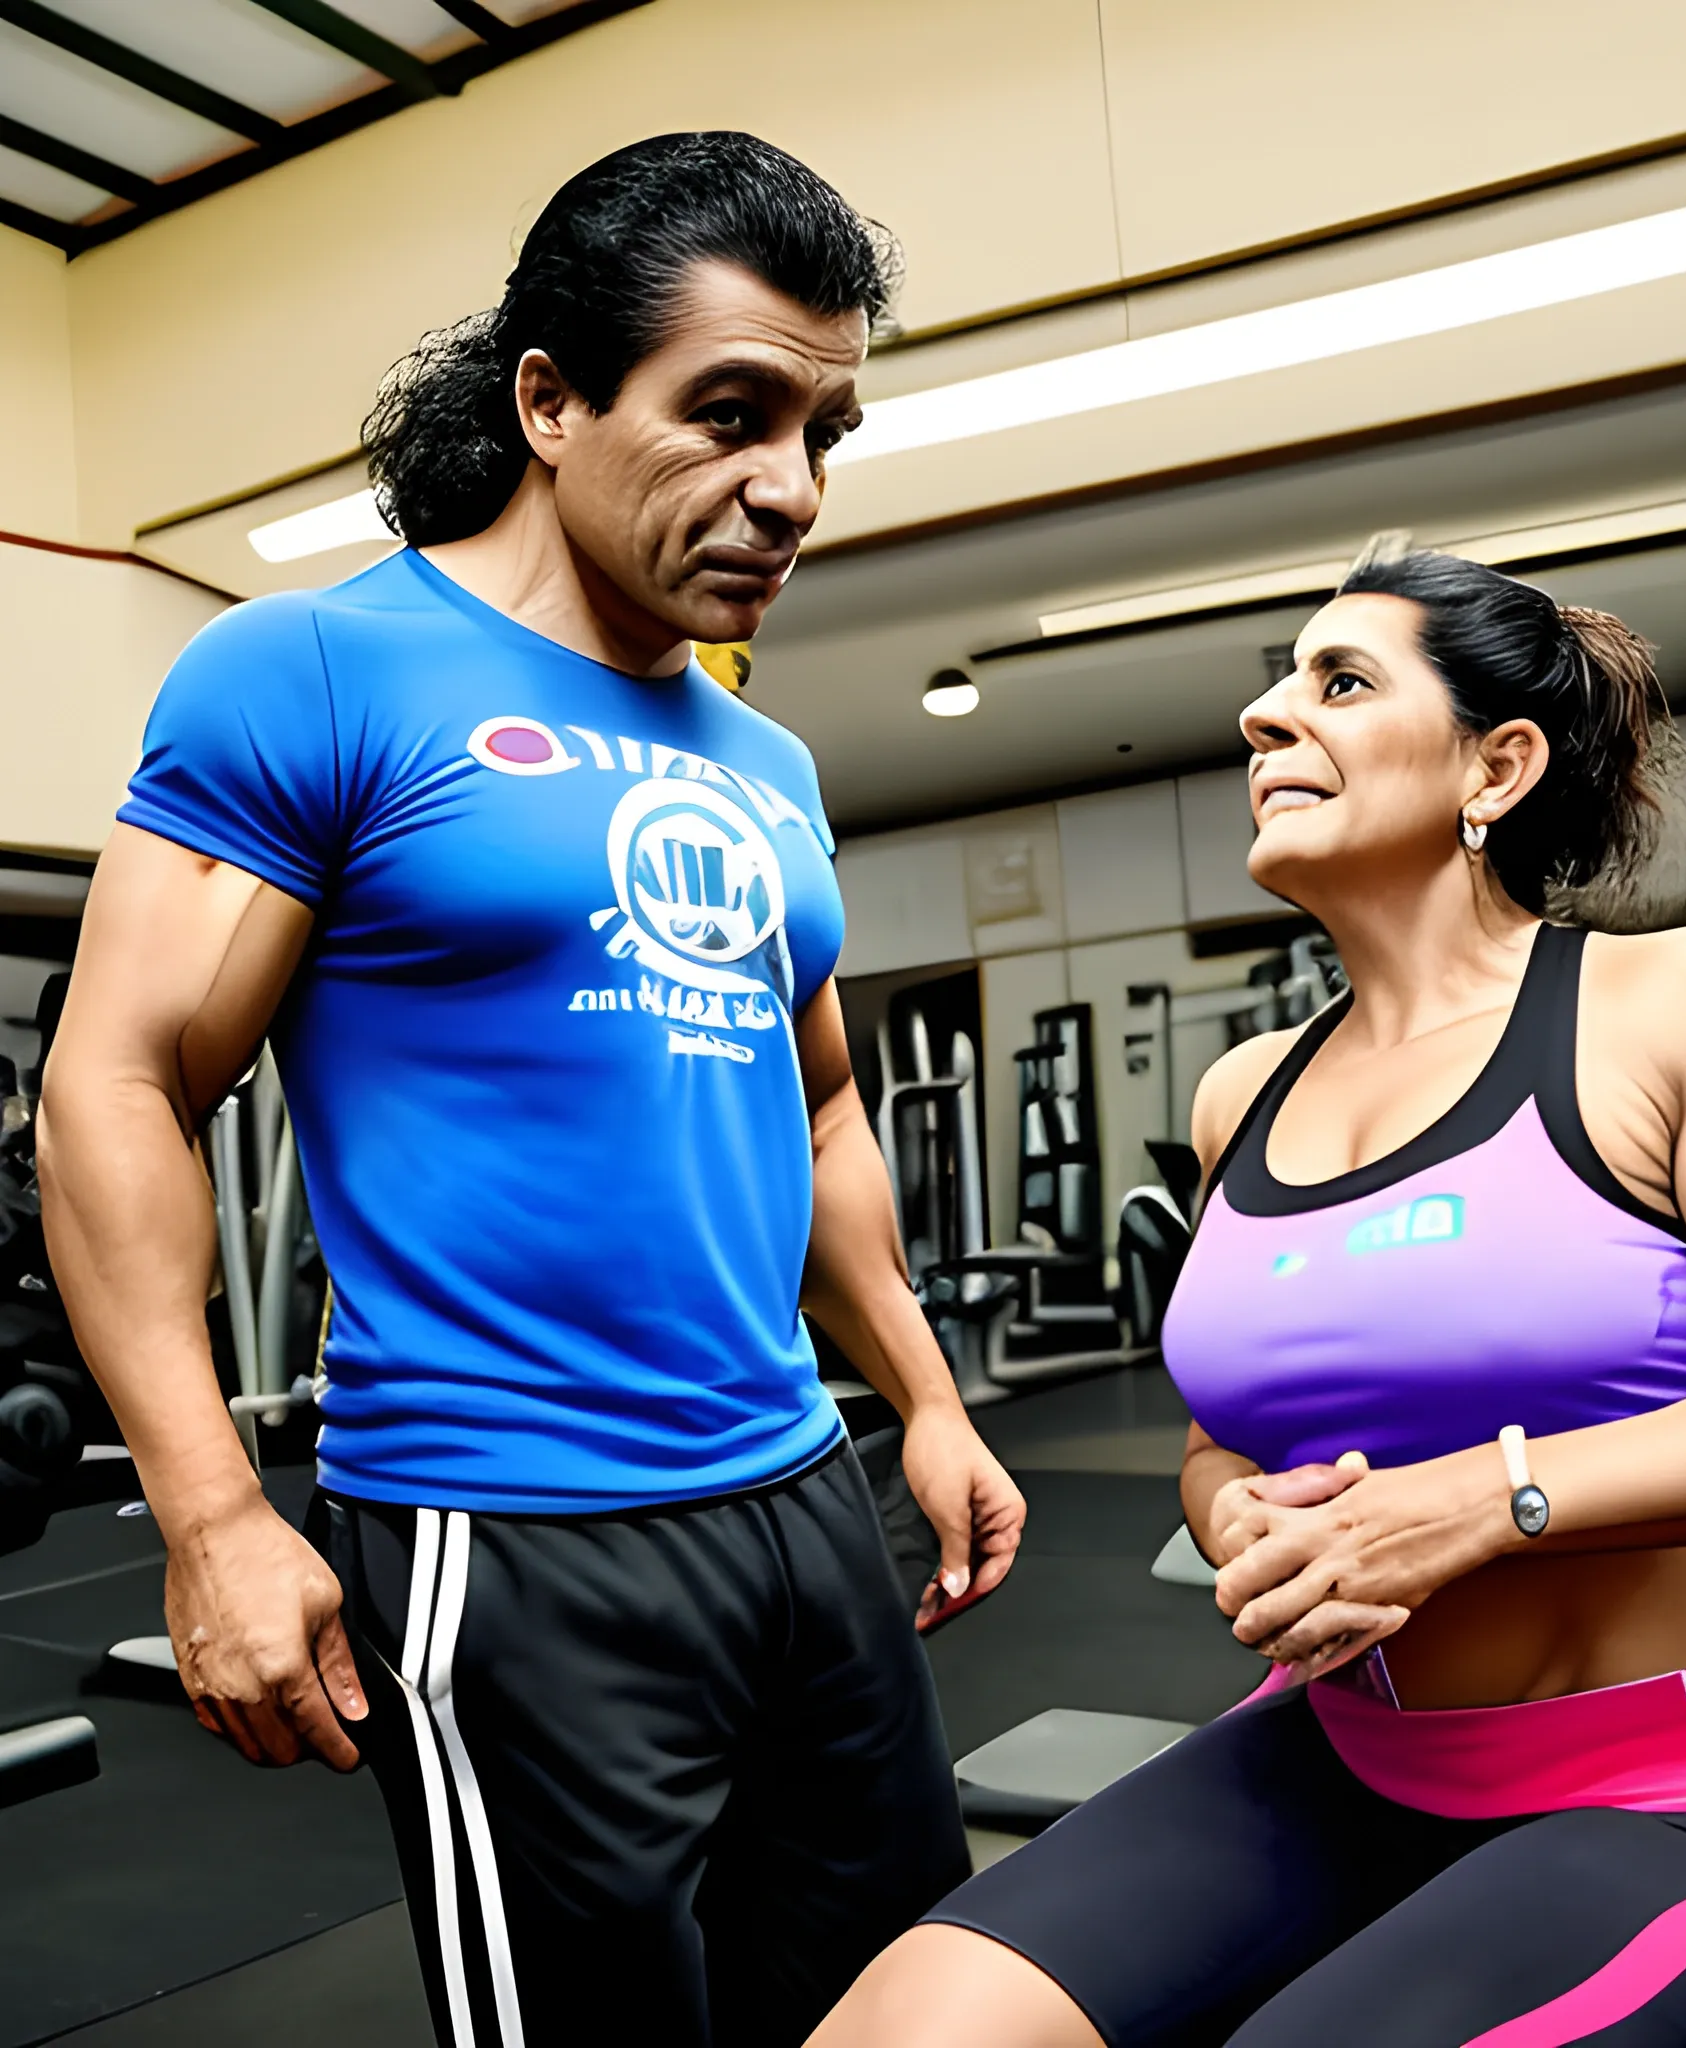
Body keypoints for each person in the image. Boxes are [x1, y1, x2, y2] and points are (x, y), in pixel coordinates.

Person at [39, 132, 1024, 2048]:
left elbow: (813, 1110)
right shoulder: (318, 669)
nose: (790, 490)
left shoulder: (768, 762)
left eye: (826, 432)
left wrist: (922, 1392)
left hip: (802, 1501)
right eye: (730, 414)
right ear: (551, 400)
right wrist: (212, 1512)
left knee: (908, 2009)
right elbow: (118, 1079)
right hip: (512, 1529)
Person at [810, 542, 1686, 2048]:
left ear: (1493, 766)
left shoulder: (1670, 1004)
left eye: (1341, 680)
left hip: (1677, 1805)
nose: (1264, 717)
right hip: (1333, 1758)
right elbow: (1224, 1436)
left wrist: (1480, 1501)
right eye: (1273, 682)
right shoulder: (1245, 1095)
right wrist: (1230, 1509)